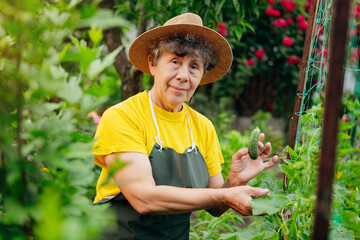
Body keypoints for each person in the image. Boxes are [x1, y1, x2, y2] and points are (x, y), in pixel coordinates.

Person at [92, 12, 278, 239]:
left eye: (194, 67)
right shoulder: (123, 117)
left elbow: (215, 206)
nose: (183, 76)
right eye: (175, 62)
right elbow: (144, 198)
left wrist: (234, 181)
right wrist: (225, 195)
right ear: (152, 63)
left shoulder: (202, 126)